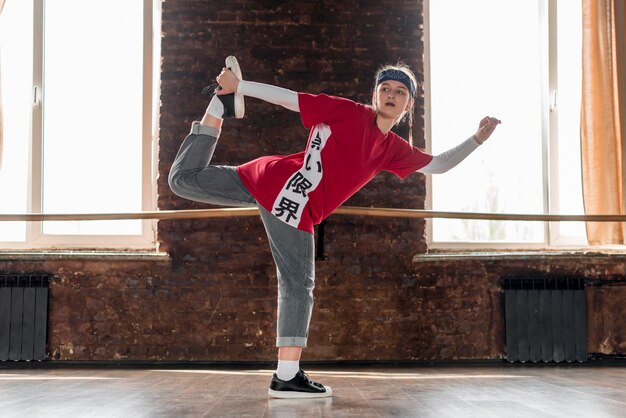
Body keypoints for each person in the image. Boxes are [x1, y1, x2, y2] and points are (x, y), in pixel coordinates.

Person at [168, 56, 500, 399]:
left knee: (183, 179)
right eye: (384, 88)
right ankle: (286, 377)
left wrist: (477, 139)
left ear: (408, 103)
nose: (390, 94)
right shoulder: (349, 112)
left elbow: (439, 165)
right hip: (291, 198)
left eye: (399, 91)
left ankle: (218, 106)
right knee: (298, 284)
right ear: (374, 95)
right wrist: (243, 87)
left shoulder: (392, 149)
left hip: (269, 180)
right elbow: (290, 98)